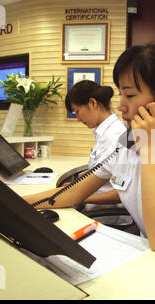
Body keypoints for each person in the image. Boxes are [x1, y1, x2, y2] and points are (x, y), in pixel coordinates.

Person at [24, 44, 155, 264]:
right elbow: (72, 194)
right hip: (152, 259)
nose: (121, 106)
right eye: (121, 94)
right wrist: (16, 202)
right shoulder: (125, 143)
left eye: (130, 95)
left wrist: (148, 149)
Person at [64, 80, 127, 216]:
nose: (78, 119)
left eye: (77, 112)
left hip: (107, 217)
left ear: (92, 103)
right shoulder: (104, 133)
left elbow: (122, 191)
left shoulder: (116, 136)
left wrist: (79, 196)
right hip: (94, 208)